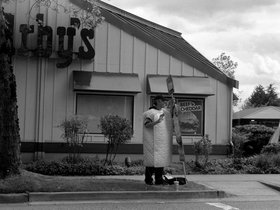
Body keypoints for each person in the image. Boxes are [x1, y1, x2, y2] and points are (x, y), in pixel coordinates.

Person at [142, 95, 173, 185]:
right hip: (152, 142)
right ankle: (148, 179)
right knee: (151, 161)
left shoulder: (164, 112)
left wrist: (173, 103)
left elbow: (172, 112)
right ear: (158, 101)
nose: (164, 103)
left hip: (162, 142)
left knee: (160, 161)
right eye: (163, 101)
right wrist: (157, 122)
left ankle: (159, 180)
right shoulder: (150, 113)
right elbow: (147, 124)